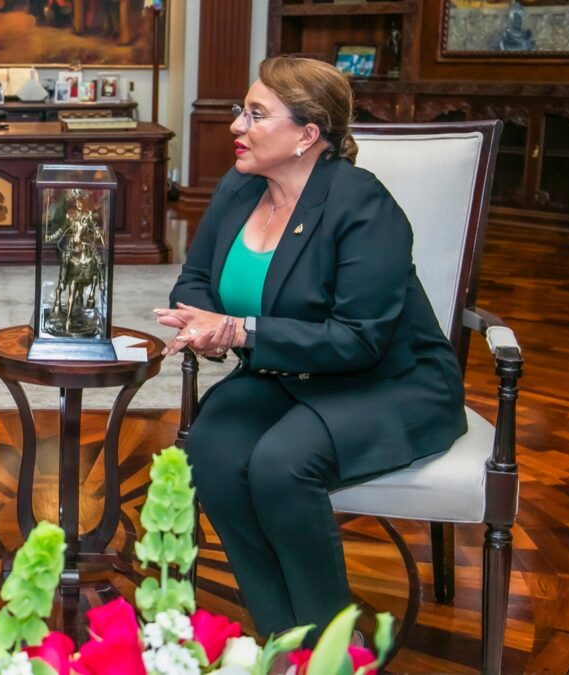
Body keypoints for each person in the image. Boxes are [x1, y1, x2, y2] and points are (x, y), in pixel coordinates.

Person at [155, 56, 467, 641]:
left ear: (307, 135)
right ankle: (283, 639)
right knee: (214, 450)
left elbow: (360, 338)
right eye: (238, 111)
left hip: (390, 381)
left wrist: (242, 331)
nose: (235, 127)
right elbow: (194, 279)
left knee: (281, 465)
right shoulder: (240, 186)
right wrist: (201, 320)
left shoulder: (361, 204)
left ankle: (330, 648)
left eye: (255, 114)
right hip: (288, 375)